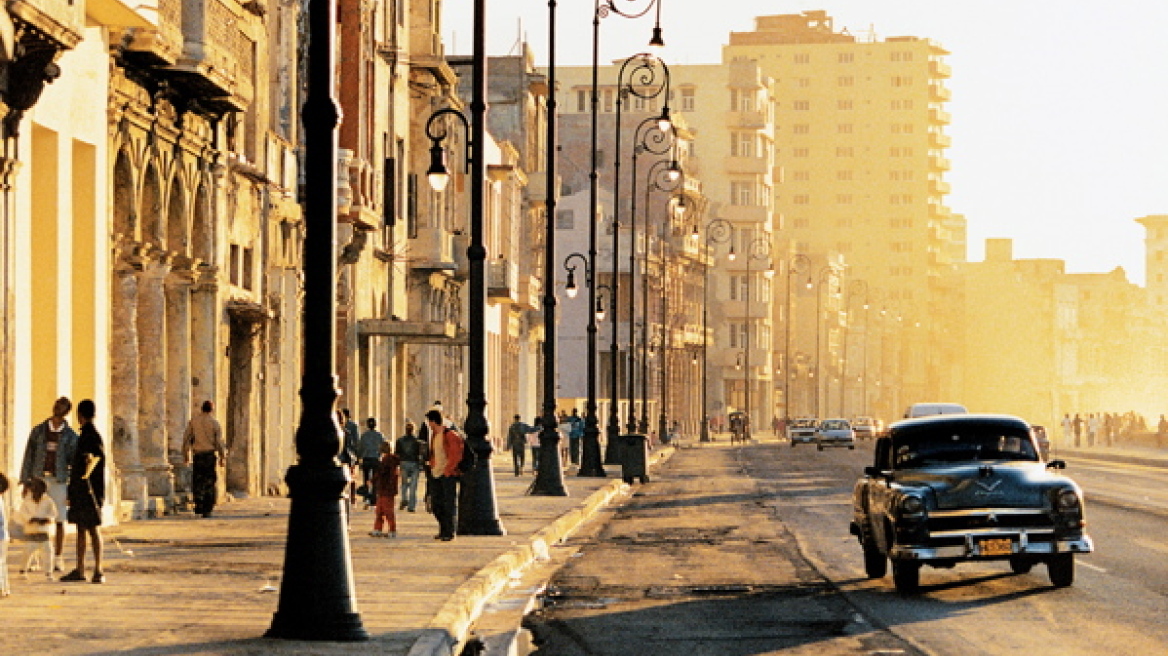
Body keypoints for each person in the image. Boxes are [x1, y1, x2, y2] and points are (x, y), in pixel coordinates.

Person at [20, 396, 78, 573]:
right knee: (33, 517)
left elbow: (74, 463)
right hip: (38, 479)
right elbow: (28, 456)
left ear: (66, 411)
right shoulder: (38, 431)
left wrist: (72, 490)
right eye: (56, 405)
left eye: (61, 407)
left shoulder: (71, 436)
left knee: (59, 519)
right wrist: (25, 481)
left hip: (58, 480)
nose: (57, 408)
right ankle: (33, 557)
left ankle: (58, 558)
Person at [61, 399, 106, 584]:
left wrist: (73, 491)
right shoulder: (94, 435)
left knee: (88, 529)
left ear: (80, 415)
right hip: (92, 489)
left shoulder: (88, 437)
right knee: (88, 528)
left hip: (86, 490)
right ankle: (91, 569)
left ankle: (93, 569)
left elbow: (86, 466)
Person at [182, 400, 227, 518]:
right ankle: (207, 508)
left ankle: (199, 505)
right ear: (211, 409)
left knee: (197, 481)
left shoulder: (193, 422)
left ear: (202, 408)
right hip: (209, 455)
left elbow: (187, 439)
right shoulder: (214, 423)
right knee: (209, 481)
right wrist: (223, 457)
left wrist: (186, 455)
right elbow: (219, 442)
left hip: (198, 455)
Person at [425, 409, 463, 541]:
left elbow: (455, 455)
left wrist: (448, 469)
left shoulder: (450, 435)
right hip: (436, 474)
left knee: (449, 504)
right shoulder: (434, 436)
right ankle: (443, 529)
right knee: (436, 505)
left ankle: (449, 532)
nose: (428, 425)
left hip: (448, 474)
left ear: (433, 421)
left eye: (429, 422)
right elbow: (434, 454)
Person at [16, 478, 58, 579]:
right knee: (27, 552)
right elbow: (22, 512)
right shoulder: (27, 501)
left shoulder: (48, 501)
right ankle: (23, 571)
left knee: (48, 552)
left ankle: (49, 573)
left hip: (44, 532)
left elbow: (54, 513)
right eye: (34, 487)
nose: (36, 489)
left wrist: (47, 519)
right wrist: (30, 519)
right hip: (32, 531)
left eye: (39, 488)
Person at [370, 442, 401, 538]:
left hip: (385, 489)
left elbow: (381, 473)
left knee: (383, 510)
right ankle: (381, 529)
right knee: (384, 510)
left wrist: (372, 480)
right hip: (388, 489)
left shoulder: (386, 461)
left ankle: (385, 529)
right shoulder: (393, 461)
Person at [395, 421, 425, 513]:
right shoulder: (418, 442)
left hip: (403, 463)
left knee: (404, 484)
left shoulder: (399, 441)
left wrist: (397, 465)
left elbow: (397, 454)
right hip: (414, 464)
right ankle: (411, 506)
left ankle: (404, 498)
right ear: (414, 430)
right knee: (413, 486)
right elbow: (420, 454)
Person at [356, 418, 387, 504]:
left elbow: (360, 447)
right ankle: (374, 496)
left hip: (366, 459)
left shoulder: (364, 435)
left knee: (366, 478)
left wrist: (358, 457)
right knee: (375, 479)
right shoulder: (380, 435)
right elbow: (383, 447)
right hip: (375, 459)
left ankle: (366, 496)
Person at [0, 472, 10, 597]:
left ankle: (2, 587)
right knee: (2, 563)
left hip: (1, 536)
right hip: (3, 536)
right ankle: (5, 587)